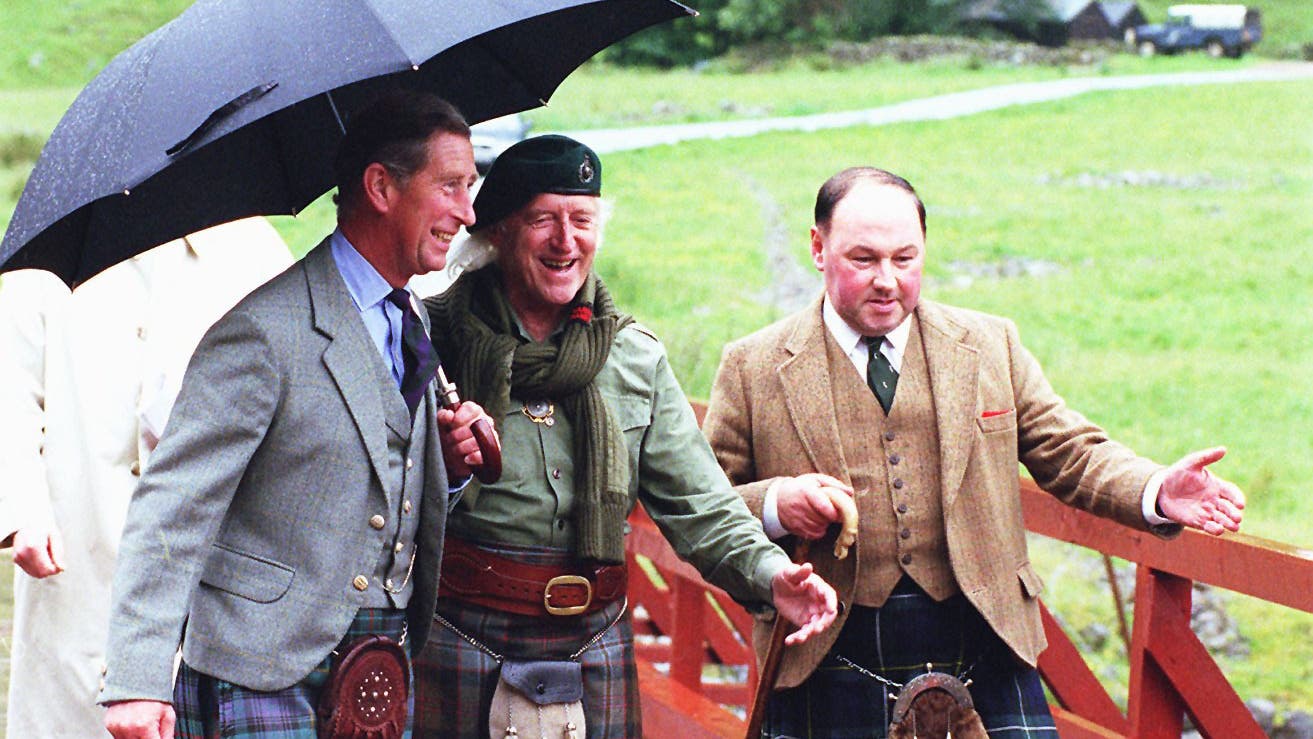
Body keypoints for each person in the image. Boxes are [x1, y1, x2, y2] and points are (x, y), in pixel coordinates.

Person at [702, 166, 1247, 738]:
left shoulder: (990, 344)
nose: (887, 280)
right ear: (818, 247)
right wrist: (775, 503)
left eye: (905, 259)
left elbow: (1069, 450)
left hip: (987, 642)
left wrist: (1155, 489)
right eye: (863, 260)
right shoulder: (753, 366)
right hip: (826, 651)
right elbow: (702, 508)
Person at [95, 90, 494, 739]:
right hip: (257, 664)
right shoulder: (263, 333)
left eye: (469, 187)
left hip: (375, 664)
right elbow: (172, 504)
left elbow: (374, 471)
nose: (467, 211)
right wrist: (136, 680)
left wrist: (441, 470)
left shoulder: (411, 316)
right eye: (449, 186)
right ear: (380, 188)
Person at [414, 135, 838, 738]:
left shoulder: (634, 358)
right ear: (498, 233)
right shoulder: (428, 343)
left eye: (582, 219)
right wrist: (444, 466)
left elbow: (702, 506)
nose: (567, 241)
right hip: (457, 634)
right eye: (543, 220)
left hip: (594, 641)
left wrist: (773, 575)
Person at [0, 217, 292, 739]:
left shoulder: (254, 250)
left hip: (204, 577)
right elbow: (8, 389)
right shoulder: (50, 243)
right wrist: (22, 509)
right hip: (74, 562)